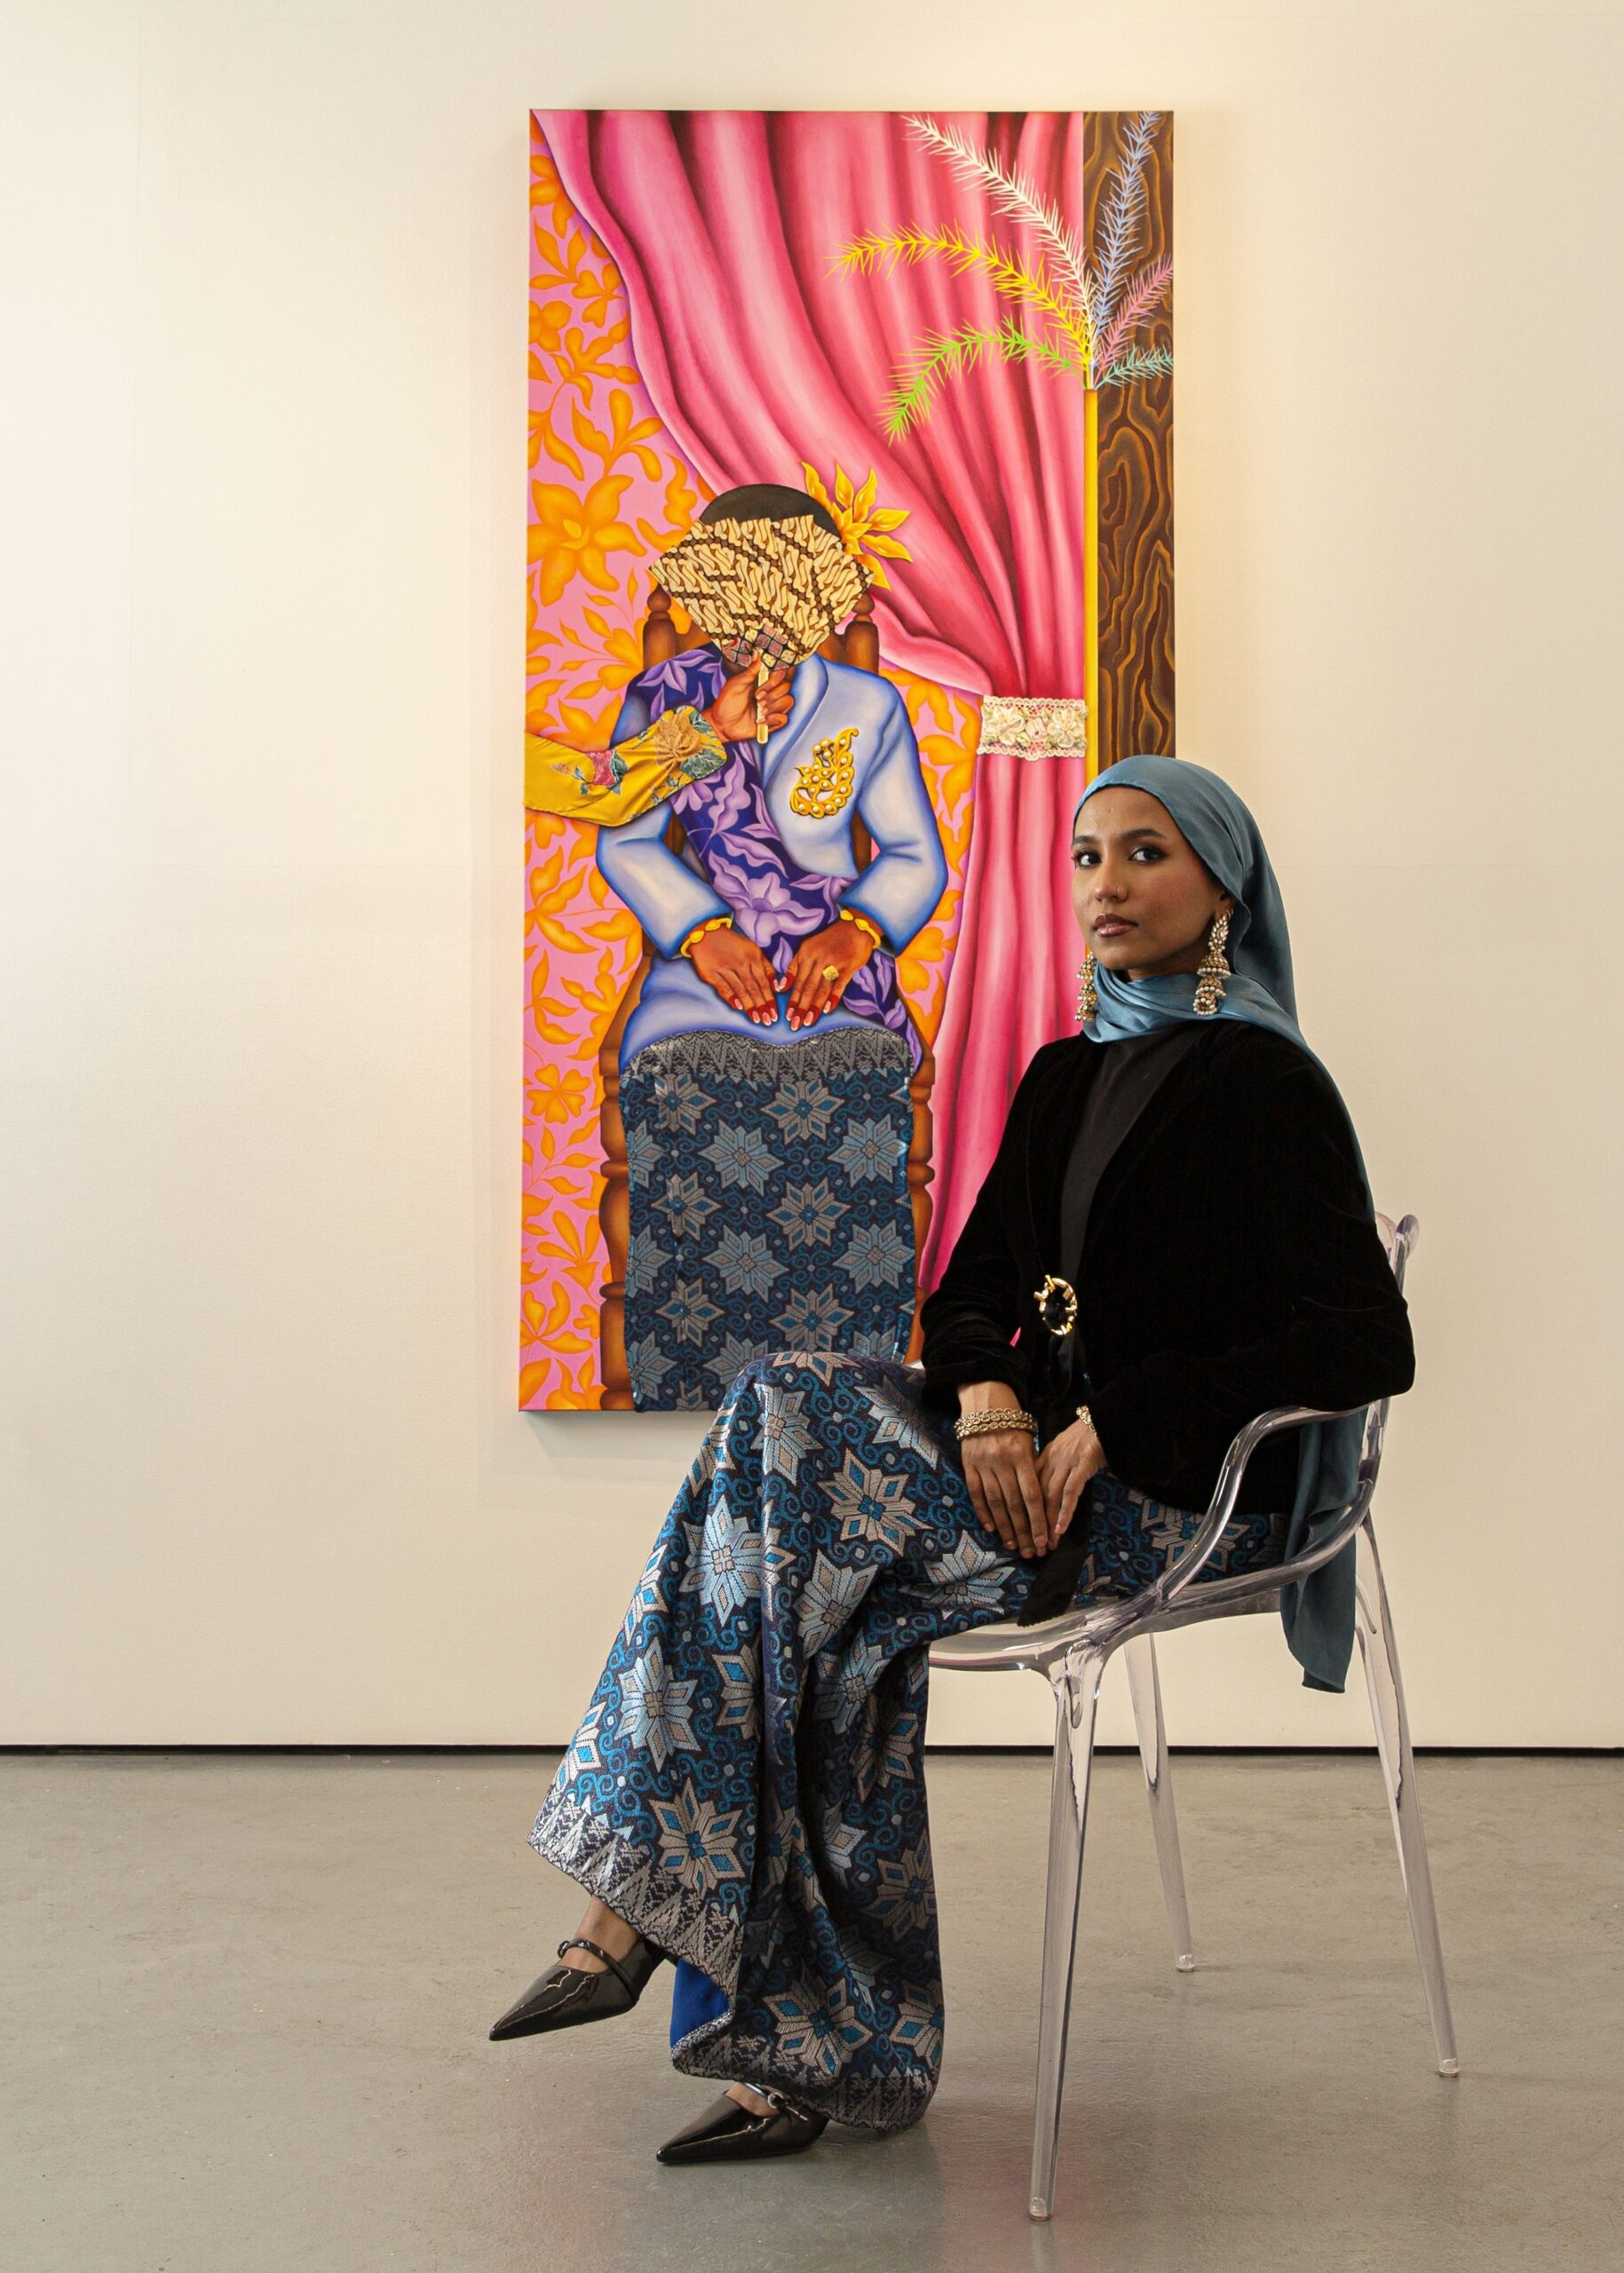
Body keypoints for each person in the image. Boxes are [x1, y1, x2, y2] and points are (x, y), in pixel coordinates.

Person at [488, 755, 1415, 2166]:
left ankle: (661, 1936)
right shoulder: (1062, 1073)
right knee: (779, 1445)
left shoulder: (1265, 1088)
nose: (1105, 884)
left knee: (791, 1555)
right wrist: (986, 1394)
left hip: (1162, 1501)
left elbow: (1362, 1343)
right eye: (1087, 857)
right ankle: (794, 2045)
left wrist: (1125, 1416)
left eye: (1146, 854)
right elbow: (968, 1288)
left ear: (1225, 887)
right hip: (1005, 1468)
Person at [525, 482, 949, 1408]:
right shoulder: (669, 699)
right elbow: (626, 839)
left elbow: (916, 855)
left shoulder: (867, 706)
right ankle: (684, 1373)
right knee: (676, 1081)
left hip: (837, 967)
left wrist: (856, 930)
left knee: (864, 1078)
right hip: (696, 974)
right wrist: (705, 933)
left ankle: (866, 1390)